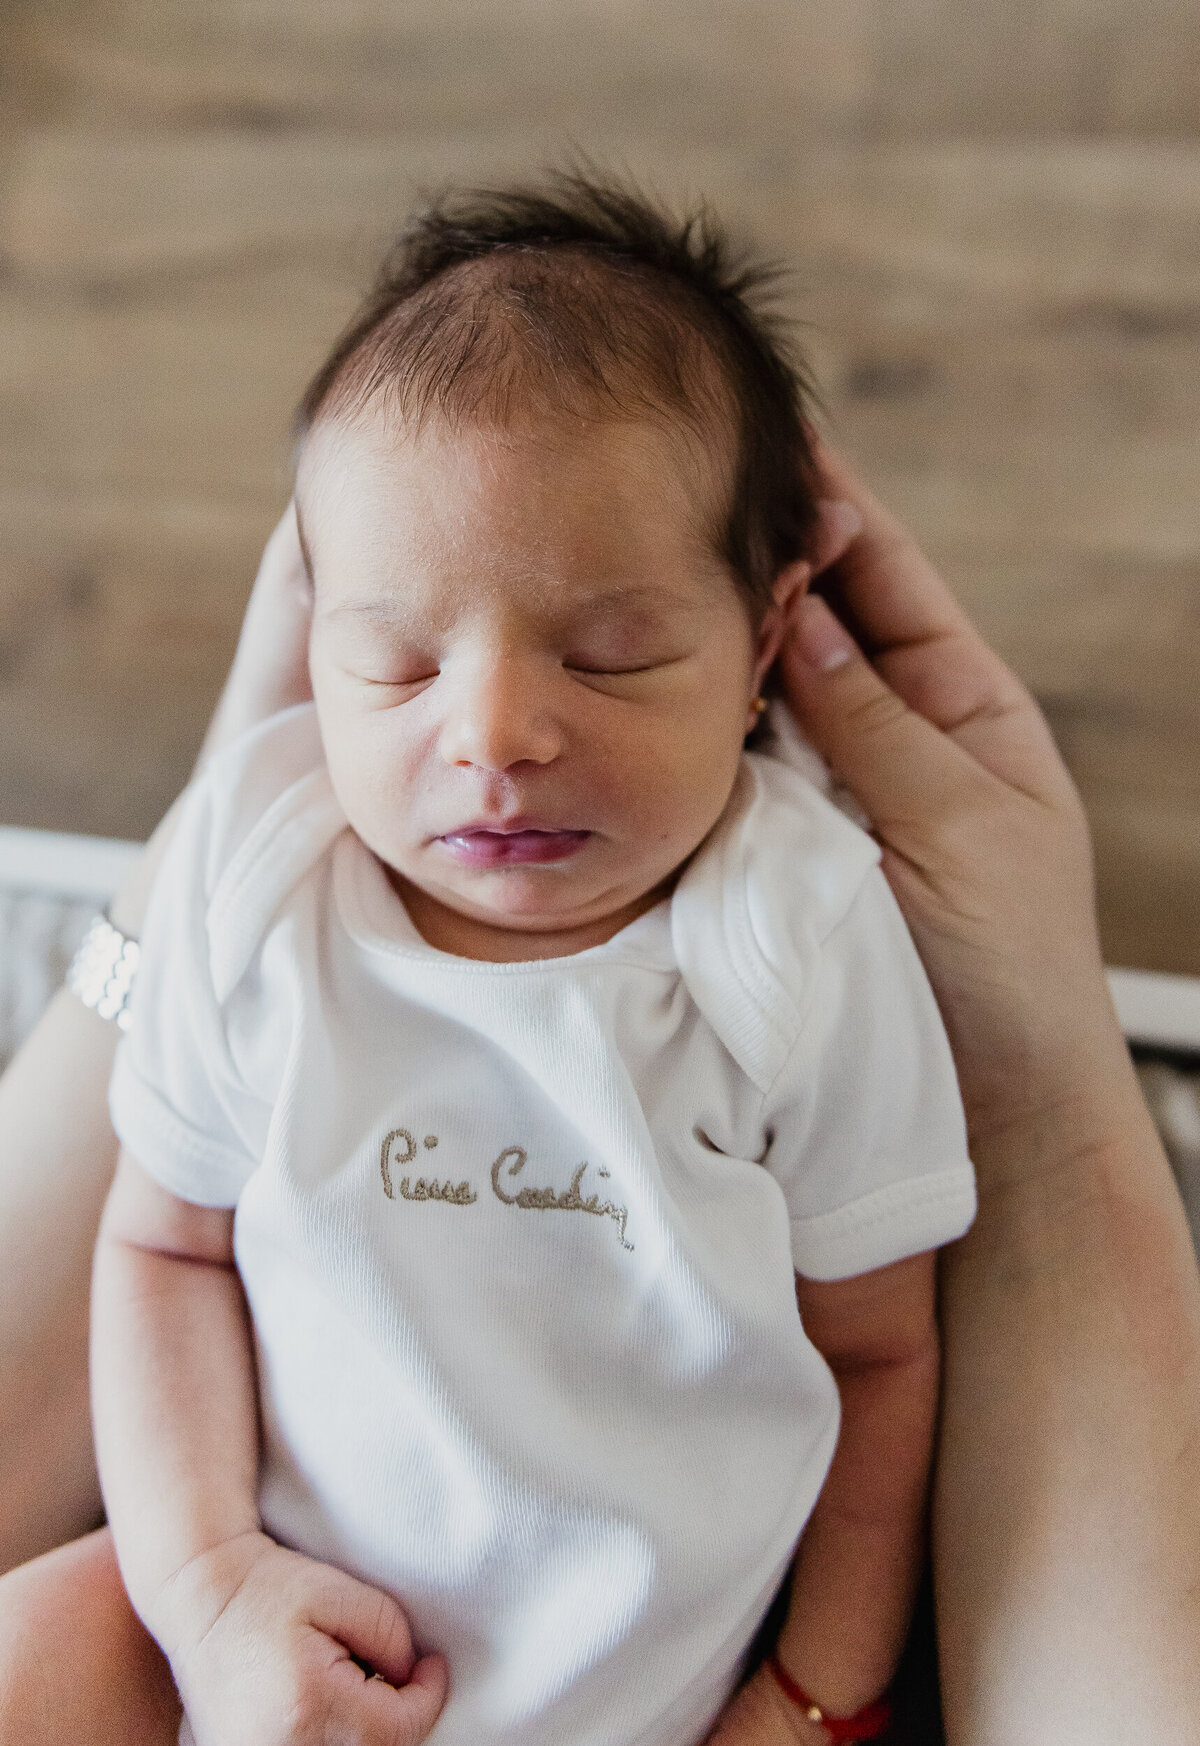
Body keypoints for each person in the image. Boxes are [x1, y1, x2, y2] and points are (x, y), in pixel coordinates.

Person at [1, 272, 1198, 1746]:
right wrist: (203, 1588)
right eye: (397, 659)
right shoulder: (262, 877)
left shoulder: (792, 935)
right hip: (250, 1665)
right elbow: (161, 1246)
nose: (496, 733)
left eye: (610, 652)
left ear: (767, 648)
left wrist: (815, 1694)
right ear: (314, 647)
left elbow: (883, 1361)